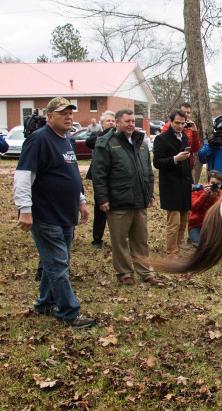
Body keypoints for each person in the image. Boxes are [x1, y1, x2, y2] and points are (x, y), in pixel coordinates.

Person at [13, 97, 95, 328]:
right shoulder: (38, 140)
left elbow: (71, 176)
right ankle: (69, 312)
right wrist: (25, 210)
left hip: (66, 214)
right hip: (45, 214)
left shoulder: (66, 140)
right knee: (58, 264)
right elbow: (23, 177)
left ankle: (44, 303)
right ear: (49, 117)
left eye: (70, 113)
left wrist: (81, 200)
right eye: (63, 113)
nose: (69, 117)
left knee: (58, 262)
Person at [91, 109, 160, 286]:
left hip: (139, 201)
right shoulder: (106, 143)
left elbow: (148, 172)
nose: (131, 124)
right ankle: (124, 273)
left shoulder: (141, 142)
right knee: (120, 240)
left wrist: (149, 193)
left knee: (141, 240)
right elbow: (99, 174)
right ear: (117, 122)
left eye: (132, 121)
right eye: (127, 121)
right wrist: (103, 199)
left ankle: (145, 272)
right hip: (118, 201)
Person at [153, 110, 193, 256]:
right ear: (170, 121)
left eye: (183, 123)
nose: (180, 126)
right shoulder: (161, 139)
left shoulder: (184, 138)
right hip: (170, 186)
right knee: (174, 222)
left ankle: (180, 245)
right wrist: (175, 159)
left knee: (184, 220)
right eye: (177, 123)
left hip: (184, 184)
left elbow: (188, 163)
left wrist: (191, 182)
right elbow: (157, 162)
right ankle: (171, 252)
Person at [84, 110, 115, 249]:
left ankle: (117, 238)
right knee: (100, 209)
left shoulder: (118, 137)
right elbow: (88, 142)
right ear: (102, 124)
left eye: (113, 121)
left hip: (115, 178)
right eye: (108, 121)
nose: (111, 123)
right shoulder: (98, 136)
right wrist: (104, 135)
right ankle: (97, 239)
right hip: (101, 178)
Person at [160, 102, 202, 182]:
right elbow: (164, 145)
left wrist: (194, 132)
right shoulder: (168, 126)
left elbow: (195, 148)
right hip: (173, 167)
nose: (186, 115)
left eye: (188, 112)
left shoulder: (190, 127)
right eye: (184, 112)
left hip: (188, 166)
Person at [188, 170, 222, 246]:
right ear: (208, 183)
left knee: (213, 245)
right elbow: (194, 207)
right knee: (198, 244)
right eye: (213, 183)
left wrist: (214, 198)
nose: (215, 186)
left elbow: (220, 212)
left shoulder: (221, 195)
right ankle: (193, 237)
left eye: (218, 184)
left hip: (212, 226)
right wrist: (204, 195)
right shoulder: (198, 191)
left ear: (221, 185)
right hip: (197, 225)